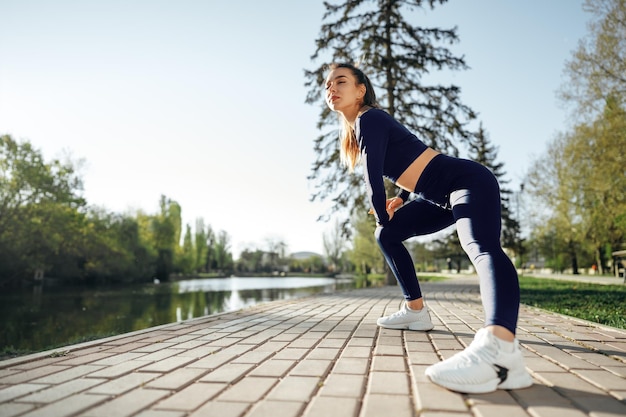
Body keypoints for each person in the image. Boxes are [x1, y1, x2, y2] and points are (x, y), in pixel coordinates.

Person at [324, 62, 533, 394]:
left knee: (480, 247)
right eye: (327, 85)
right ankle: (415, 311)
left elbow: (373, 177)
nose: (331, 88)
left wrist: (381, 209)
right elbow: (416, 158)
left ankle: (501, 351)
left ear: (361, 89)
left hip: (467, 182)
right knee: (387, 234)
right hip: (441, 197)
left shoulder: (369, 118)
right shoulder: (362, 127)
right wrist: (402, 199)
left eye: (341, 81)